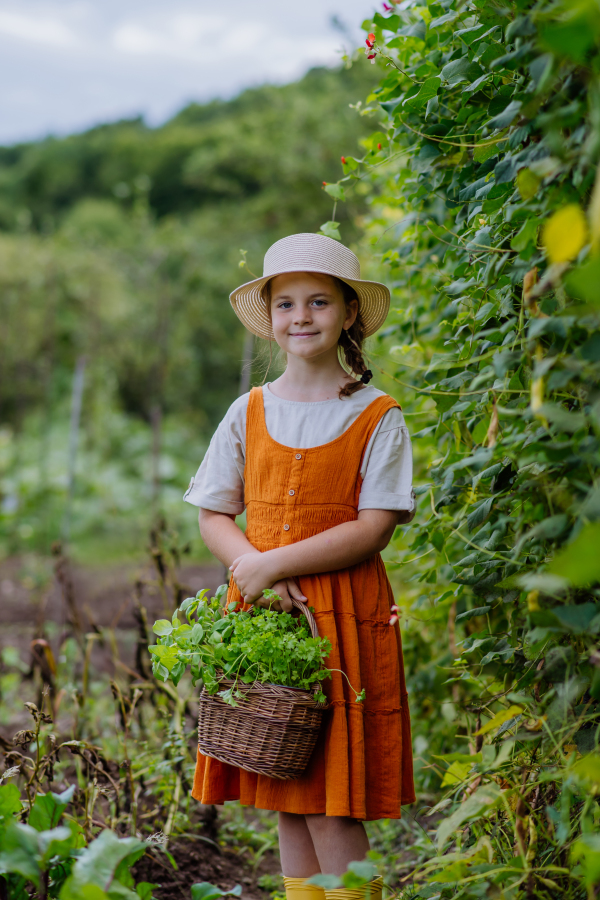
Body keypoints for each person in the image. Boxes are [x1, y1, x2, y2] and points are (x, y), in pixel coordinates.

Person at [184, 233, 416, 900]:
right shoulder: (249, 410)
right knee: (289, 788)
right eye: (285, 304)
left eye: (319, 301)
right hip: (267, 624)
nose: (301, 316)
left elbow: (374, 529)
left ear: (349, 314)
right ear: (271, 317)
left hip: (340, 621)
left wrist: (270, 563)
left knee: (332, 797)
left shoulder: (376, 415)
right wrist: (249, 566)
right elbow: (212, 513)